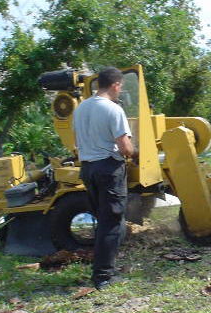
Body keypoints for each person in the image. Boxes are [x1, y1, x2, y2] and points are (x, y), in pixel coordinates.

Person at [73, 67, 136, 290]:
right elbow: (125, 147)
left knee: (103, 219)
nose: (120, 91)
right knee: (111, 221)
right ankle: (102, 277)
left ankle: (104, 264)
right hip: (108, 169)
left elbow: (77, 141)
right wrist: (135, 154)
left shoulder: (80, 109)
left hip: (88, 169)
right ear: (116, 85)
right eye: (121, 87)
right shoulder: (113, 109)